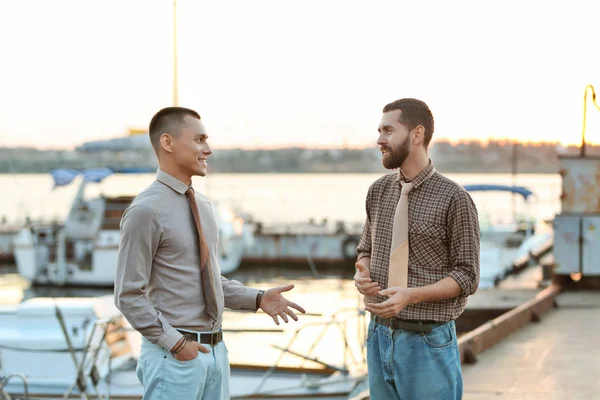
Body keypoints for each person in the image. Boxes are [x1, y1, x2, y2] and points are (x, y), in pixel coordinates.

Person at [114, 106, 305, 400]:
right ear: (168, 143)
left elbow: (210, 279)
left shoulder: (203, 205)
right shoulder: (145, 211)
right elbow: (128, 293)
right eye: (199, 140)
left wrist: (257, 298)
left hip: (216, 353)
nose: (208, 149)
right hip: (174, 357)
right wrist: (176, 344)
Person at [354, 98, 480, 399]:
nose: (380, 140)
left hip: (427, 342)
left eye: (388, 130)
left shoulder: (455, 199)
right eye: (380, 131)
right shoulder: (378, 191)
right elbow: (364, 250)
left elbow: (467, 277)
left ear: (416, 134)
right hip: (378, 335)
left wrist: (412, 295)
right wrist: (362, 270)